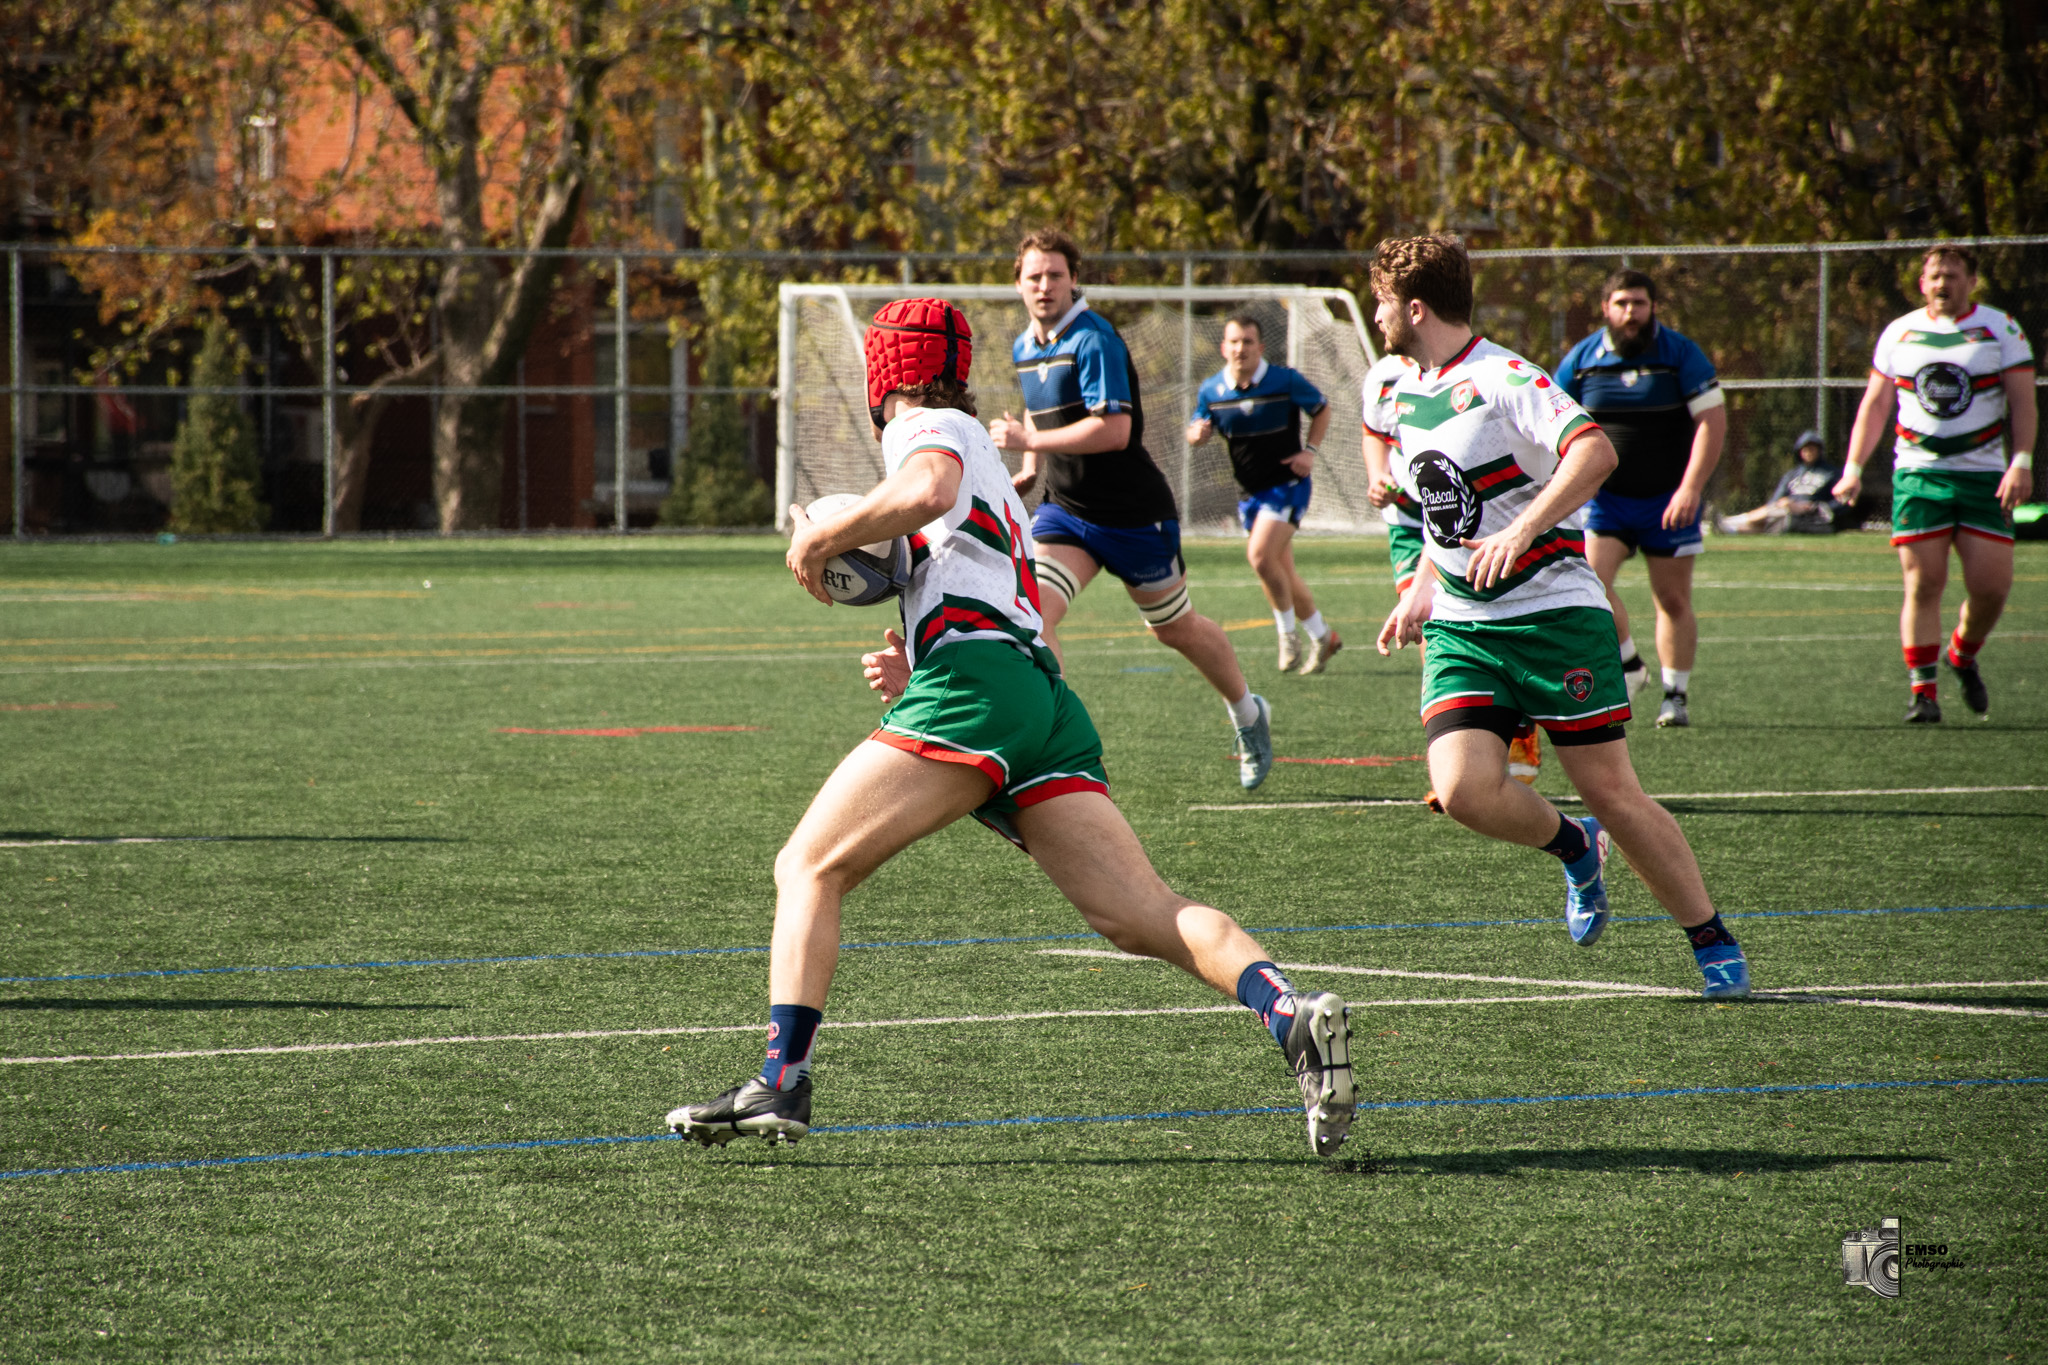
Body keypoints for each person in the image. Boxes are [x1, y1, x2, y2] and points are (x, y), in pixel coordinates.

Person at [665, 298, 1358, 1155]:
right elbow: (969, 564)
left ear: (895, 372)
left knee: (807, 863)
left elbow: (925, 492)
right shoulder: (981, 446)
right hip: (1037, 696)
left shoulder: (928, 427)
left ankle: (782, 1081)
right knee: (1142, 913)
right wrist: (917, 664)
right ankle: (1288, 1012)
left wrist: (816, 540)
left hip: (983, 687)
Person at [1367, 234, 1749, 1000]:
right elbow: (1435, 504)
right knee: (1464, 790)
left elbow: (1593, 452)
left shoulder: (1505, 376)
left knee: (1614, 789)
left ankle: (1709, 934)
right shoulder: (1390, 384)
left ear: (1414, 307)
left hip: (1553, 617)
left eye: (1381, 300)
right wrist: (1418, 584)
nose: (1375, 314)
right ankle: (1578, 848)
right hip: (1461, 624)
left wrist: (1524, 527)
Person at [990, 229, 1274, 789]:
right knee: (1034, 616)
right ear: (1018, 284)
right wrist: (1031, 470)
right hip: (1066, 513)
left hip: (1133, 515)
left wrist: (1030, 443)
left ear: (1074, 279)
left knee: (1175, 628)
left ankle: (1248, 712)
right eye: (1033, 277)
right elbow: (1044, 414)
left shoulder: (1095, 339)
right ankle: (1055, 747)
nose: (1044, 286)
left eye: (1054, 275)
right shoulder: (1026, 345)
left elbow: (1114, 430)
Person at [1833, 245, 2036, 723]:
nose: (1942, 284)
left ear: (1971, 281)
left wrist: (2021, 461)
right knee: (1924, 581)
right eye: (1934, 276)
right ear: (1922, 283)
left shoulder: (2001, 328)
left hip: (1984, 476)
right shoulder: (1900, 331)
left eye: (1952, 275)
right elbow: (1876, 405)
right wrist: (1854, 468)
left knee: (1991, 587)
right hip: (1919, 474)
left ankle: (1961, 655)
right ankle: (1923, 692)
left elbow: (2024, 403)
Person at [1363, 350, 1543, 795]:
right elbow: (1373, 433)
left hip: (1470, 517)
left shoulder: (1477, 370)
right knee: (1428, 623)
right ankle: (1457, 766)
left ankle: (1512, 727)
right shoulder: (1383, 378)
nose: (1379, 314)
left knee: (1470, 623)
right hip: (1410, 519)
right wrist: (1376, 476)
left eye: (1387, 300)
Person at [1554, 270, 1727, 729]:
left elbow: (1712, 420)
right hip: (1605, 500)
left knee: (1671, 598)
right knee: (1587, 583)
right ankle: (1629, 662)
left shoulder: (1679, 354)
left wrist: (1691, 488)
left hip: (1668, 501)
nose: (1631, 313)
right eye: (1622, 304)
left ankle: (1676, 695)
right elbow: (1551, 424)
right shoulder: (1582, 359)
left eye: (1640, 304)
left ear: (1654, 308)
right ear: (1606, 308)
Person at [1186, 314, 1340, 672]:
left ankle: (1288, 637)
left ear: (1261, 347)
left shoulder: (1284, 380)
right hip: (1249, 495)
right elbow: (1196, 427)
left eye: (1248, 341)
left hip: (1287, 486)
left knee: (1259, 557)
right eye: (1234, 341)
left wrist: (1310, 451)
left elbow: (1322, 408)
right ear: (1224, 347)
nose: (1241, 348)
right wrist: (1197, 435)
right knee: (1280, 571)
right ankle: (1323, 636)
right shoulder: (1211, 390)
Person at [1715, 430, 1841, 535]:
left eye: (1812, 449)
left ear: (1819, 451)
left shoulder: (1831, 473)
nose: (1809, 452)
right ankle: (1730, 529)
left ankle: (1727, 522)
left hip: (1811, 514)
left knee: (1776, 515)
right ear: (1800, 452)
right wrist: (1786, 504)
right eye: (1805, 449)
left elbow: (1841, 501)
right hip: (1787, 511)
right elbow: (1776, 500)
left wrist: (1815, 507)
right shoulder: (1792, 475)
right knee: (1769, 523)